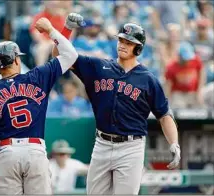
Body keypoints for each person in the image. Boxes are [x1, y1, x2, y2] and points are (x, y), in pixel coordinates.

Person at [52, 14, 181, 194]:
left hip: (131, 147)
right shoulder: (98, 67)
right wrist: (67, 29)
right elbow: (59, 55)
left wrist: (174, 143)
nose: (122, 44)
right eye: (121, 40)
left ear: (138, 48)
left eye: (129, 42)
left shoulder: (148, 79)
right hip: (102, 144)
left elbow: (164, 115)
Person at [0, 16, 78, 195]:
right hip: (34, 150)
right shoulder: (37, 76)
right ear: (17, 60)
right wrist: (51, 30)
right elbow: (70, 55)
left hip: (6, 153)